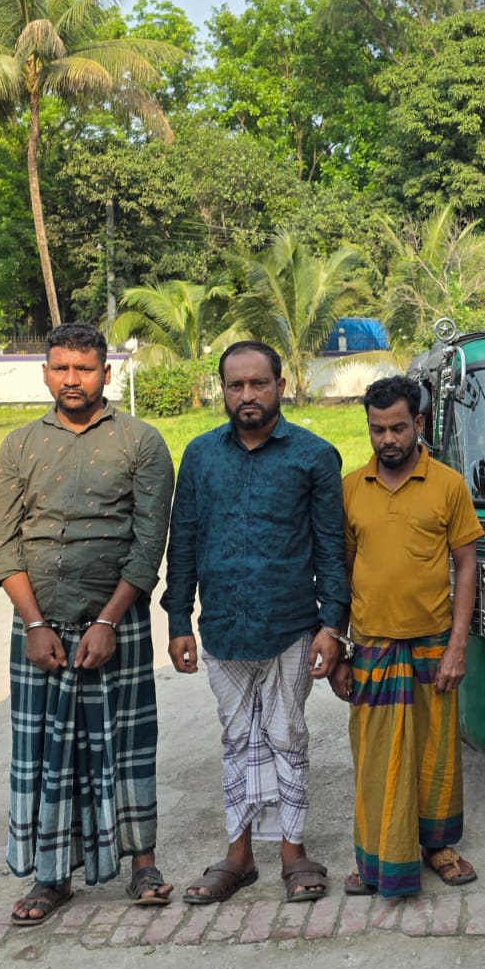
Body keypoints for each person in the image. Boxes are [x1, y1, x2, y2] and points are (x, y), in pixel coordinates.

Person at [0, 323, 175, 926]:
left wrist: (108, 620)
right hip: (39, 627)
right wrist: (35, 623)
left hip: (115, 624)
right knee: (45, 751)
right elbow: (5, 543)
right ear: (45, 372)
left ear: (106, 373)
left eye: (84, 369)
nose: (72, 380)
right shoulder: (18, 446)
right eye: (61, 368)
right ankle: (51, 876)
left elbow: (149, 546)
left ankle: (142, 861)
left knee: (125, 745)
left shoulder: (141, 442)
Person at [162, 341, 348, 904]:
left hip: (291, 625)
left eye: (257, 384)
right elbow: (185, 541)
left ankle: (293, 851)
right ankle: (238, 856)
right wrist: (178, 620)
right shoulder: (199, 456)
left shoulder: (314, 456)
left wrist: (332, 624)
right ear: (222, 390)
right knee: (237, 738)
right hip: (222, 627)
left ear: (280, 386)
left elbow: (331, 548)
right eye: (235, 385)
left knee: (286, 735)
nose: (246, 395)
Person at [330, 375, 483, 898]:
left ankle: (438, 848)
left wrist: (458, 646)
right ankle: (374, 858)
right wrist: (342, 653)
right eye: (377, 430)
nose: (387, 439)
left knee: (435, 756)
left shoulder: (447, 485)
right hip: (372, 646)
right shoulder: (351, 488)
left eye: (398, 427)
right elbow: (344, 576)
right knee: (374, 759)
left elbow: (466, 567)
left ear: (418, 423)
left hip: (433, 643)